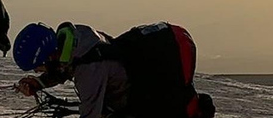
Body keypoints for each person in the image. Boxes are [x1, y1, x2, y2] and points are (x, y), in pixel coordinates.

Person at [14, 21, 216, 118]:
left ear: (49, 56)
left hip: (136, 94)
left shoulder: (89, 73)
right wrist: (40, 83)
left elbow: (90, 115)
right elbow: (68, 65)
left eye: (38, 66)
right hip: (158, 54)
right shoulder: (77, 37)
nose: (39, 70)